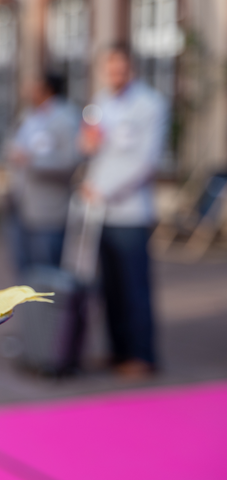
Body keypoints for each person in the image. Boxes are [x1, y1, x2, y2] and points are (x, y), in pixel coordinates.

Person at [79, 43, 169, 378]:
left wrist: (105, 190)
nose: (115, 72)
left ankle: (142, 355)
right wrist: (87, 144)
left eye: (121, 66)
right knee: (110, 288)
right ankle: (118, 351)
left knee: (134, 287)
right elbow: (93, 150)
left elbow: (147, 163)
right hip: (100, 211)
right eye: (110, 66)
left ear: (132, 67)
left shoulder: (150, 103)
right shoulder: (101, 101)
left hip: (130, 211)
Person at [7, 72, 81, 273]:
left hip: (48, 210)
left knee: (47, 271)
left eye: (34, 85)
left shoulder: (66, 118)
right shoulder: (29, 115)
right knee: (24, 270)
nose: (28, 90)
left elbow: (70, 162)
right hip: (21, 205)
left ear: (46, 89)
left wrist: (32, 161)